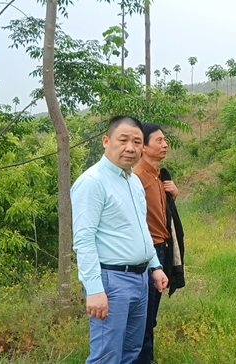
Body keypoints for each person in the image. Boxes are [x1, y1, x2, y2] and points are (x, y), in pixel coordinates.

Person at [71, 115, 169, 364]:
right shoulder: (92, 183)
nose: (130, 147)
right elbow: (84, 239)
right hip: (112, 281)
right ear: (106, 141)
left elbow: (141, 229)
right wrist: (94, 289)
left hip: (140, 279)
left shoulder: (133, 180)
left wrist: (155, 266)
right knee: (107, 356)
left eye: (137, 141)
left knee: (131, 352)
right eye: (123, 140)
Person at [132, 123, 183, 364]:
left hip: (163, 248)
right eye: (159, 140)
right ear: (143, 146)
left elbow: (164, 214)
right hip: (147, 253)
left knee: (150, 315)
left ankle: (143, 356)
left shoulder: (161, 175)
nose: (164, 145)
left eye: (165, 140)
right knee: (144, 316)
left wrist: (173, 194)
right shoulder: (135, 178)